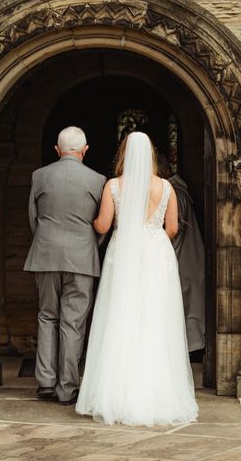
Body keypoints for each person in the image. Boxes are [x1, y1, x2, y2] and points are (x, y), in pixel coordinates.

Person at [76, 132, 198, 426]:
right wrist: (150, 235)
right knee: (156, 319)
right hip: (157, 254)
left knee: (121, 316)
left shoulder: (114, 185)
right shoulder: (166, 187)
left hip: (125, 251)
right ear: (152, 155)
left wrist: (91, 222)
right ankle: (158, 391)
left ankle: (118, 392)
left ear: (124, 154)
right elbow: (171, 228)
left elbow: (103, 225)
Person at [23, 126, 106, 405]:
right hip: (82, 258)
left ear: (57, 150)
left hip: (45, 254)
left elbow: (32, 218)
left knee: (47, 316)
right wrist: (90, 243)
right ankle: (67, 388)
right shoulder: (97, 179)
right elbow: (102, 225)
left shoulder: (39, 175)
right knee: (74, 322)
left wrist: (46, 241)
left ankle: (45, 382)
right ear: (85, 151)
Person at [157, 156, 206, 358]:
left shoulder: (175, 193)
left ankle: (193, 348)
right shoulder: (174, 190)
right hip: (185, 260)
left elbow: (173, 228)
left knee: (188, 309)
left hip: (184, 262)